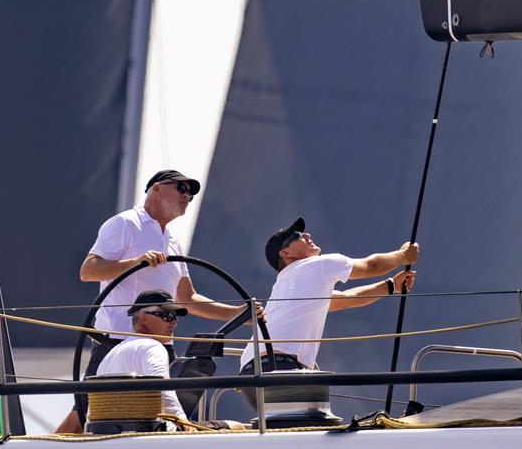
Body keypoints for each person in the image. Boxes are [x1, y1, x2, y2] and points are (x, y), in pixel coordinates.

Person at [56, 170, 262, 434]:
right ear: (155, 188)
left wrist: (236, 314)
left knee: (157, 418)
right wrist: (136, 262)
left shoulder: (173, 241)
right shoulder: (124, 223)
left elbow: (187, 299)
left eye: (191, 192)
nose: (187, 195)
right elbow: (88, 270)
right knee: (87, 415)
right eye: (180, 187)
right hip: (118, 342)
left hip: (161, 345)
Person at [238, 217, 418, 406]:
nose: (307, 235)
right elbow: (371, 266)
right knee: (313, 428)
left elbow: (345, 300)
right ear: (285, 252)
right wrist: (404, 255)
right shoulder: (317, 265)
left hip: (249, 375)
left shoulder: (288, 283)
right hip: (280, 367)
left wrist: (390, 286)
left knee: (284, 428)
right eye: (297, 235)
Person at [88, 289, 245, 431]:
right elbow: (163, 390)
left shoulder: (113, 353)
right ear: (143, 317)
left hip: (115, 432)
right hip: (155, 433)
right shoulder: (152, 347)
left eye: (175, 317)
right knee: (238, 427)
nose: (173, 322)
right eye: (166, 316)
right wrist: (184, 424)